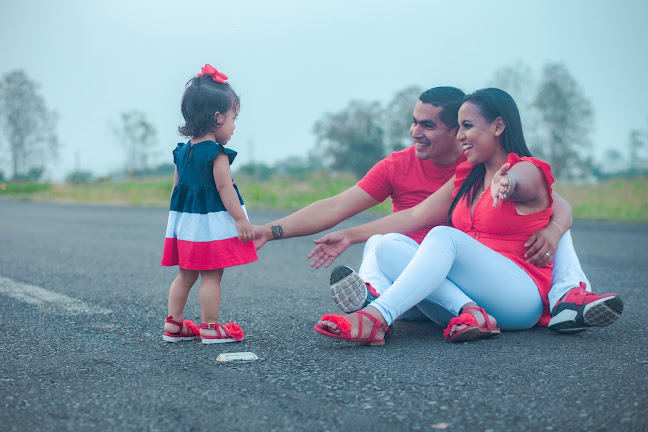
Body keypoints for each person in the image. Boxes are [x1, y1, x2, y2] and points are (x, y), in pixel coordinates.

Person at [254, 87, 622, 334]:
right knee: (385, 244)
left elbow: (532, 183)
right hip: (470, 294)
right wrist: (347, 235)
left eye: (466, 127)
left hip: (520, 297)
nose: (462, 135)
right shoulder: (465, 177)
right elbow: (413, 216)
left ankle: (376, 315)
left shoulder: (523, 168)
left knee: (445, 235)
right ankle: (467, 313)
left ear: (497, 126)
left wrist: (508, 186)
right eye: (459, 127)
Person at [161, 64, 257, 344]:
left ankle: (174, 324)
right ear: (217, 118)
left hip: (186, 224)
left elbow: (176, 189)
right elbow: (225, 188)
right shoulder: (217, 154)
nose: (234, 126)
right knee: (212, 276)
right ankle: (210, 327)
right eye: (233, 119)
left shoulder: (182, 152)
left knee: (185, 275)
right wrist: (241, 219)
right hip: (209, 226)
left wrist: (177, 226)